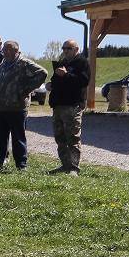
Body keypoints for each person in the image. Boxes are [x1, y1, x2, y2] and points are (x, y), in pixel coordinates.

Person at [0, 40, 49, 171]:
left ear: (16, 51)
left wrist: (25, 89)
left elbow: (43, 73)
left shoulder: (24, 63)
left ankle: (21, 165)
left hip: (16, 107)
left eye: (9, 49)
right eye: (4, 49)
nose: (5, 52)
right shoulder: (2, 64)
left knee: (18, 138)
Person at [48, 39, 91, 174]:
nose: (65, 51)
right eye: (64, 48)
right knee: (60, 137)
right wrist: (51, 84)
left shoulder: (82, 63)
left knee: (72, 137)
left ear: (76, 49)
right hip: (58, 105)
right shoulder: (62, 62)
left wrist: (66, 75)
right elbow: (56, 80)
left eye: (69, 48)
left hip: (72, 105)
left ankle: (74, 168)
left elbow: (83, 81)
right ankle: (65, 165)